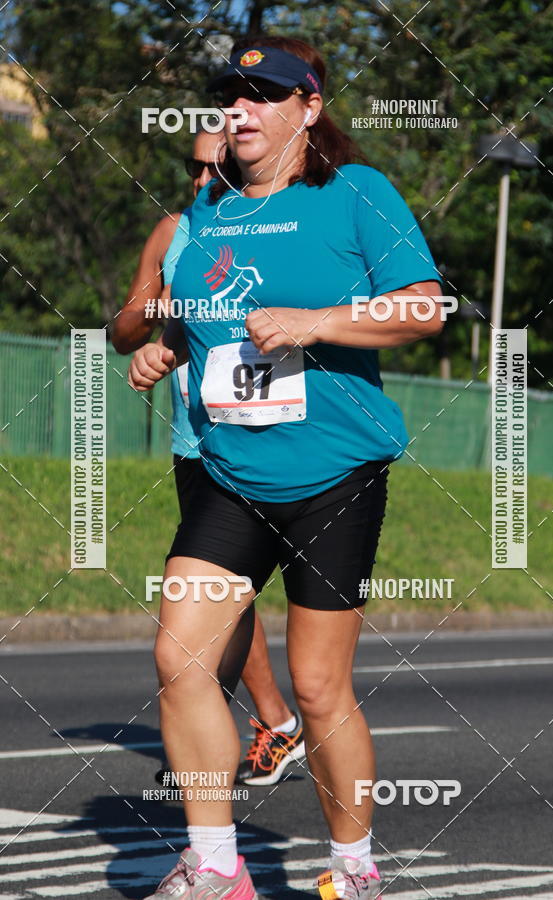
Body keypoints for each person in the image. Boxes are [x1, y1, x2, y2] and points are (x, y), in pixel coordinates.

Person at [128, 34, 443, 900]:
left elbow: (424, 309)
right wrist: (163, 350)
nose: (242, 109)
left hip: (335, 477)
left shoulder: (356, 195)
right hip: (231, 474)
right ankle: (219, 866)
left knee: (316, 684)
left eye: (264, 95)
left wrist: (315, 322)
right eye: (233, 94)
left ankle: (353, 867)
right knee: (181, 660)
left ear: (309, 109)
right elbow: (199, 321)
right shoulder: (205, 216)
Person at [112, 128, 305, 786]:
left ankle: (256, 730)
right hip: (197, 446)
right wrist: (159, 317)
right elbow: (123, 328)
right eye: (193, 169)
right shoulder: (174, 232)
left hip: (282, 443)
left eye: (214, 169)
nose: (200, 183)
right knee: (224, 594)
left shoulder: (286, 227)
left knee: (235, 599)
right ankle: (267, 727)